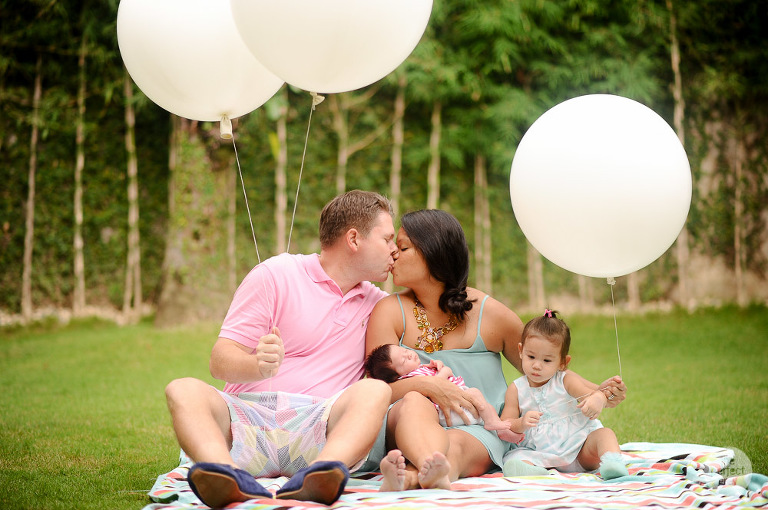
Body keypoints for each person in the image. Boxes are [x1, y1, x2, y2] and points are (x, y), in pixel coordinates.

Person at [164, 190, 398, 508]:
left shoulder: (381, 305)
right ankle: (225, 474)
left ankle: (321, 474)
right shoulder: (275, 275)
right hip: (245, 420)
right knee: (182, 390)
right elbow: (219, 361)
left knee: (375, 393)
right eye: (387, 239)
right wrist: (257, 365)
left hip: (319, 427)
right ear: (354, 239)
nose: (395, 250)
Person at [364, 209, 626, 492]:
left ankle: (413, 477)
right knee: (416, 402)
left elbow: (543, 365)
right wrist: (428, 386)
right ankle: (427, 466)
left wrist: (599, 391)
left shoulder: (489, 314)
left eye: (403, 248)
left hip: (477, 427)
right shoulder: (389, 311)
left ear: (433, 253)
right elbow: (373, 392)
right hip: (407, 422)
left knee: (458, 445)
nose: (393, 254)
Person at [500, 309, 629, 479]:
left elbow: (590, 395)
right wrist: (521, 423)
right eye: (531, 357)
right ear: (521, 351)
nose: (537, 365)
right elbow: (504, 425)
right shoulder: (516, 389)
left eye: (546, 360)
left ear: (562, 362)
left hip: (578, 450)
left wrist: (598, 398)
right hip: (539, 454)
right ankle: (535, 472)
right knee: (514, 459)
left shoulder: (565, 380)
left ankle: (613, 464)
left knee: (604, 434)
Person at [364, 343, 523, 443]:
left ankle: (502, 431)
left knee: (479, 400)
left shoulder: (420, 370)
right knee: (477, 397)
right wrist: (444, 371)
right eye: (403, 360)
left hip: (456, 403)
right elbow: (437, 384)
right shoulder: (410, 378)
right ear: (398, 375)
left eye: (404, 351)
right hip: (448, 410)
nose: (409, 354)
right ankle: (495, 425)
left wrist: (437, 365)